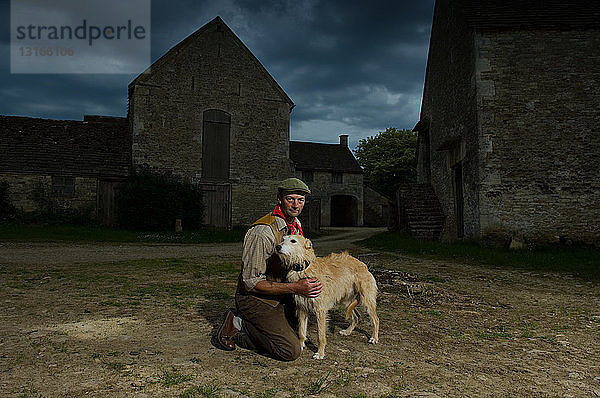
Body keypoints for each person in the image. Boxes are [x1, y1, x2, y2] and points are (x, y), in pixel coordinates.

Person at [215, 177, 322, 361]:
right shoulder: (263, 232)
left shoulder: (295, 225)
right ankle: (238, 324)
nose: (296, 205)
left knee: (302, 320)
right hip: (256, 298)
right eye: (291, 199)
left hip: (281, 292)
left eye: (301, 200)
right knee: (290, 350)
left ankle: (269, 322)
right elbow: (250, 282)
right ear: (279, 199)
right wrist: (296, 288)